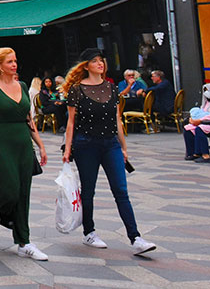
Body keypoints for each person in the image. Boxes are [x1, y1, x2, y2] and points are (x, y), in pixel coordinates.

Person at [62, 49, 157, 255]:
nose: (100, 64)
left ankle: (136, 237)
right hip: (85, 144)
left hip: (110, 144)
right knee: (88, 190)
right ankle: (89, 232)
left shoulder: (112, 88)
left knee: (121, 191)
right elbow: (70, 122)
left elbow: (116, 119)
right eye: (94, 61)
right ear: (86, 66)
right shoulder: (77, 89)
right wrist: (68, 148)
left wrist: (123, 147)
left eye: (101, 61)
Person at [0, 47, 48, 260]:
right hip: (1, 144)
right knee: (8, 190)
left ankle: (24, 242)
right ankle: (1, 217)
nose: (14, 65)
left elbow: (29, 120)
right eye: (9, 62)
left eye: (15, 61)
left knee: (24, 192)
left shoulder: (23, 86)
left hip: (24, 145)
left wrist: (41, 145)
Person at [183, 83, 210, 162]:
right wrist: (192, 119)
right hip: (202, 122)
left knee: (199, 129)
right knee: (188, 129)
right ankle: (193, 153)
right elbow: (200, 112)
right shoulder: (205, 103)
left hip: (208, 123)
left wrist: (200, 120)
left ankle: (205, 154)